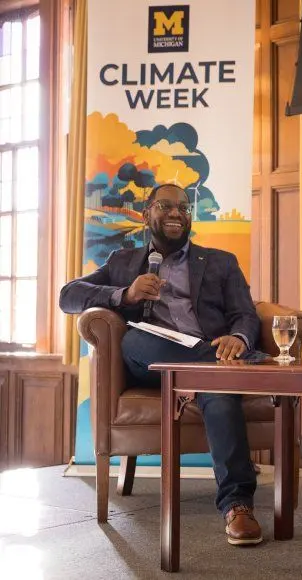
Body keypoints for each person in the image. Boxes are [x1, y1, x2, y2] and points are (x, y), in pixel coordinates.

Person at [60, 183, 268, 546]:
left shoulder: (220, 261)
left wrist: (240, 339)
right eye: (166, 206)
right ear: (146, 214)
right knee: (136, 338)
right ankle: (242, 366)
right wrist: (124, 294)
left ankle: (237, 505)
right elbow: (68, 295)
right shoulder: (122, 262)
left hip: (206, 361)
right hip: (149, 360)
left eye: (184, 208)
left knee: (218, 392)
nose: (176, 213)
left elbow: (245, 315)